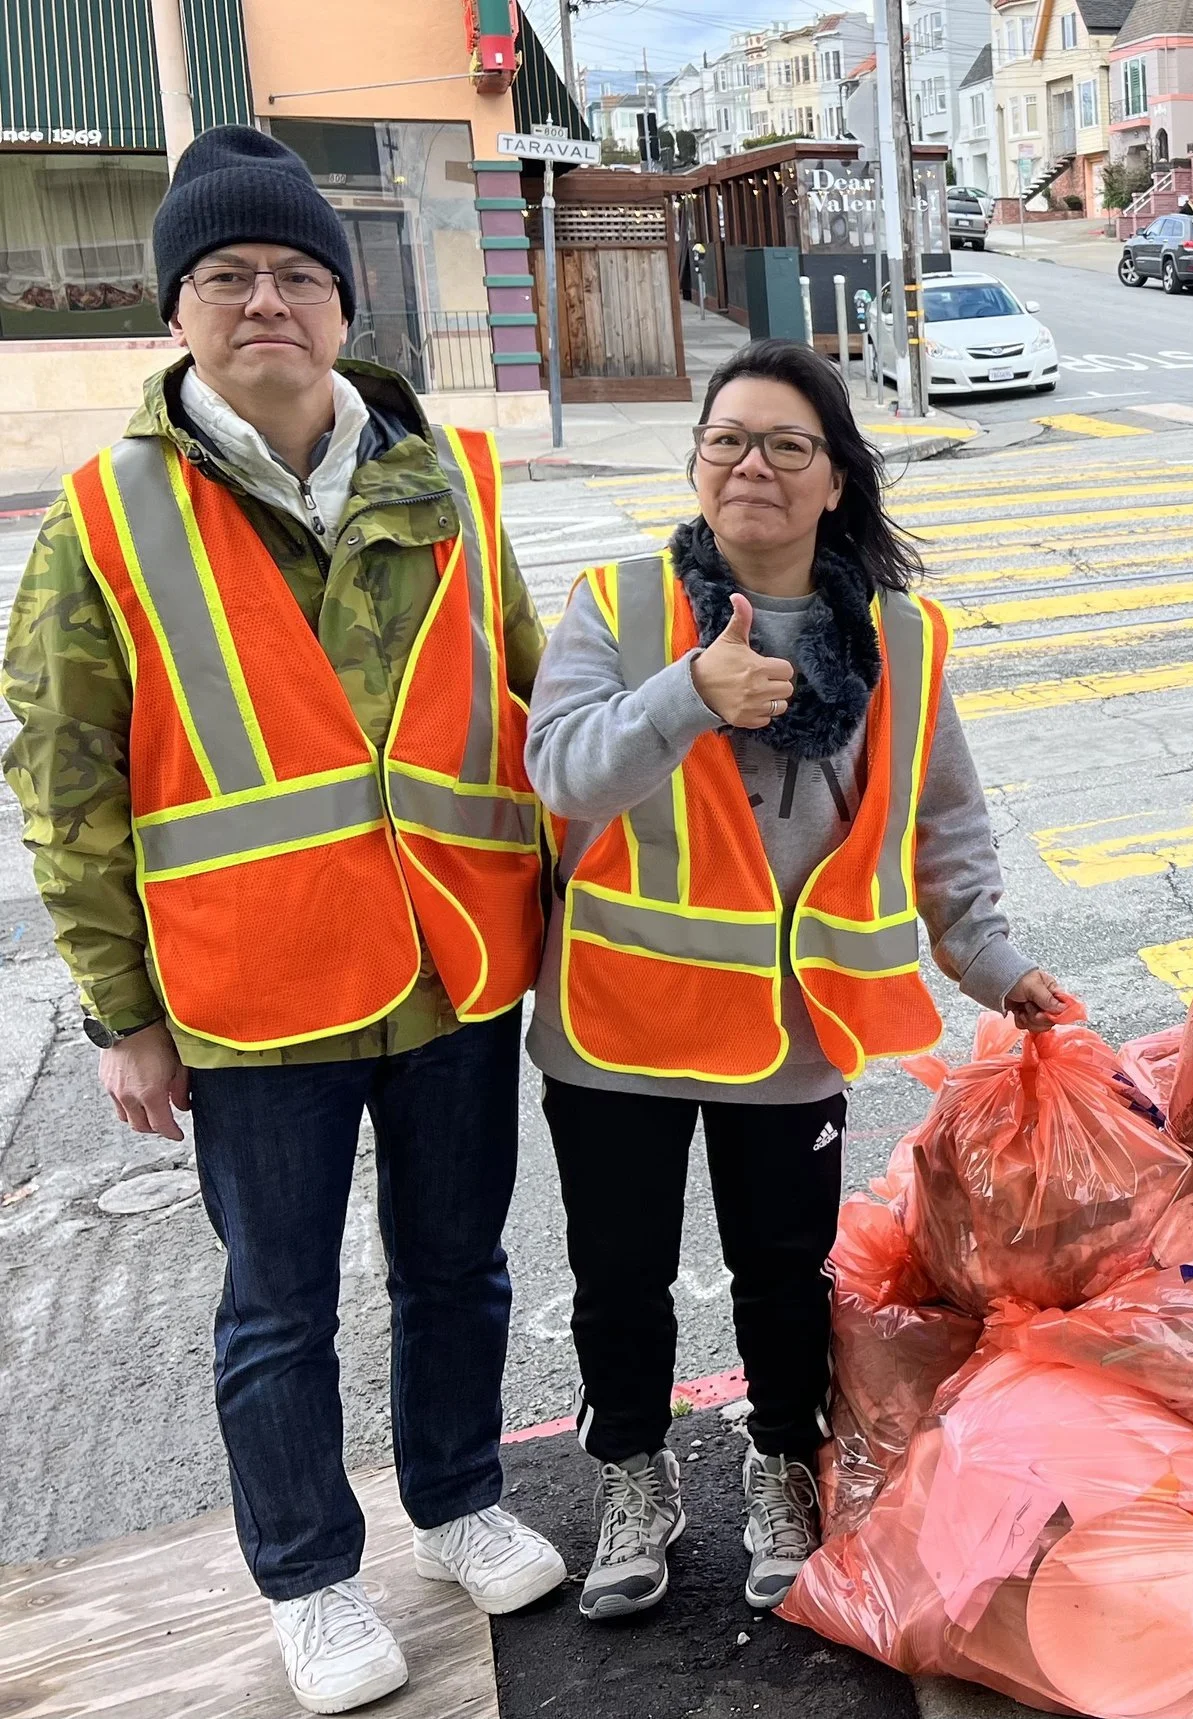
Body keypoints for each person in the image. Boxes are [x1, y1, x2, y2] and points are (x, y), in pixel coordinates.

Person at [1, 127, 564, 1714]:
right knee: (276, 1306)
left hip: (452, 962)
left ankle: (456, 1495)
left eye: (298, 273)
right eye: (229, 273)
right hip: (255, 994)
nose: (268, 300)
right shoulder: (110, 516)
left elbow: (524, 691)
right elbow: (64, 774)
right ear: (179, 305)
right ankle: (311, 1576)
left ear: (343, 300)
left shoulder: (444, 472)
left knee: (461, 1267)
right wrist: (121, 1012)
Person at [524, 338, 1067, 1620]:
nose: (750, 466)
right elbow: (560, 771)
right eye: (725, 442)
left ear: (834, 481)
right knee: (619, 1273)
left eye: (786, 446)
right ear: (695, 465)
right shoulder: (620, 604)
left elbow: (944, 826)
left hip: (790, 1033)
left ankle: (780, 1462)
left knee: (784, 1274)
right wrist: (692, 695)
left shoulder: (898, 641)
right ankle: (632, 1479)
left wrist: (996, 965)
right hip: (624, 1022)